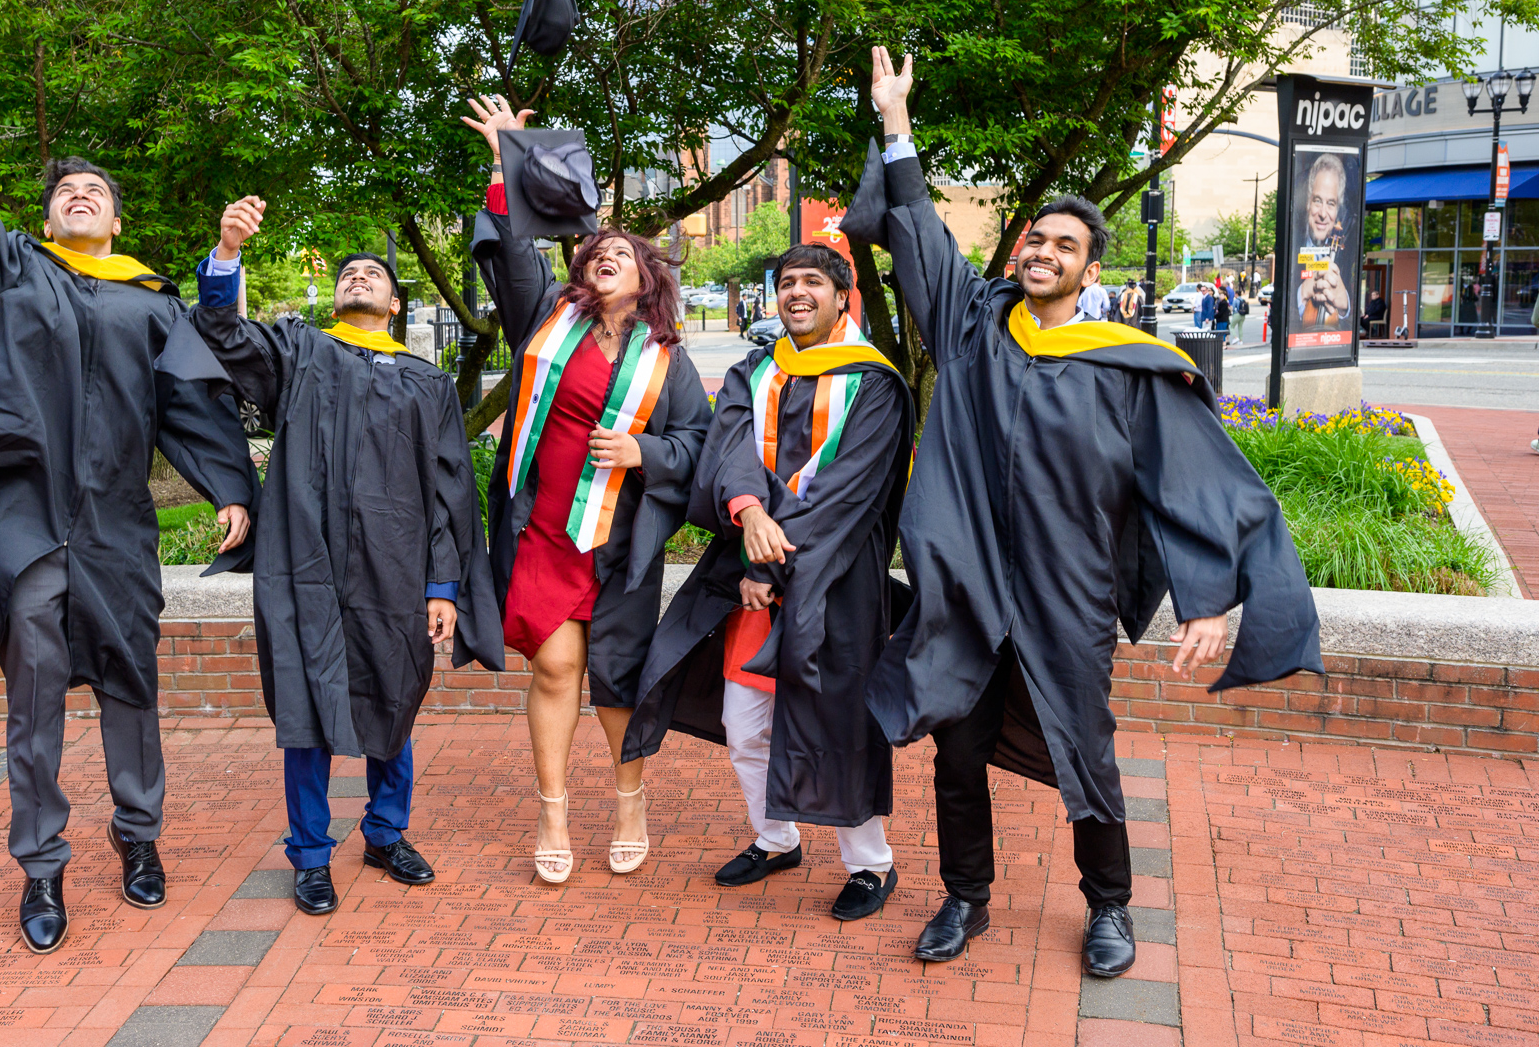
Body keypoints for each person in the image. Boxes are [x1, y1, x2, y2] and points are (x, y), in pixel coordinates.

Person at [850, 47, 1322, 978]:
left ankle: (1110, 907)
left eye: (1064, 247)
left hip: (1068, 592)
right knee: (956, 751)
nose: (1043, 255)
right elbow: (921, 236)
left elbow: (1193, 481)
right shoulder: (975, 326)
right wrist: (896, 126)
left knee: (1086, 753)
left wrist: (1207, 597)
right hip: (970, 584)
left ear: (1090, 267)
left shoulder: (1124, 364)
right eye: (1036, 242)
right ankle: (965, 897)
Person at [0, 15, 259, 954]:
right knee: (37, 694)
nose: (81, 197)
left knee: (133, 685)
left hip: (117, 527)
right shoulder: (14, 274)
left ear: (118, 219)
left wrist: (228, 486)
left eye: (97, 192)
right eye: (68, 191)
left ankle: (138, 842)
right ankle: (42, 869)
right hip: (28, 522)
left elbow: (188, 402)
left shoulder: (148, 299)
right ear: (50, 215)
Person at [171, 201, 505, 915]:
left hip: (396, 567)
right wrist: (227, 251)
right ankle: (311, 854)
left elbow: (453, 493)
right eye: (349, 272)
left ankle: (386, 833)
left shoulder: (429, 383)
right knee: (305, 705)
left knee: (395, 697)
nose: (359, 276)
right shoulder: (298, 355)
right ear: (338, 295)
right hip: (305, 566)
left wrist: (443, 585)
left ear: (394, 302)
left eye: (372, 275)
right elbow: (225, 335)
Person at [463, 94, 712, 883]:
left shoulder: (667, 360)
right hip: (543, 533)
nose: (603, 254)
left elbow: (699, 443)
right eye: (593, 250)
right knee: (554, 669)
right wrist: (509, 158)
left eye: (620, 252)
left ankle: (630, 797)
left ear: (644, 279)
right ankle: (554, 808)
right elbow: (511, 255)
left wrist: (643, 451)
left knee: (615, 678)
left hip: (616, 542)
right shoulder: (546, 318)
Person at [624, 244, 913, 921]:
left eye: (814, 282)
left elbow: (849, 497)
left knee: (838, 723)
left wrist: (767, 567)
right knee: (744, 723)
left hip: (834, 583)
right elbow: (727, 454)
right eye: (787, 283)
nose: (798, 293)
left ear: (846, 298)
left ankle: (872, 865)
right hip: (752, 577)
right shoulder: (755, 371)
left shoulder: (875, 384)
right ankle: (776, 838)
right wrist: (749, 515)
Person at [1296, 154, 1352, 327]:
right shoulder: (1293, 247)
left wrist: (1345, 306)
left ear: (1337, 212)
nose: (1322, 213)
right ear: (1308, 202)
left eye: (1331, 203)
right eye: (1317, 201)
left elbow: (1355, 322)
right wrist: (1302, 292)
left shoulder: (1348, 253)